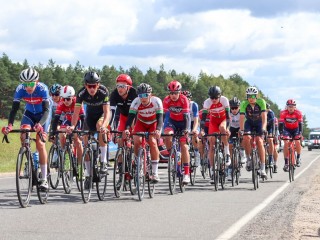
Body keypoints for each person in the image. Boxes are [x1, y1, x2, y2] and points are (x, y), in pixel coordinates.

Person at [2, 68, 50, 190]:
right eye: (25, 84)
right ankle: (28, 157)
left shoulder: (42, 89)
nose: (28, 87)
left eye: (31, 83)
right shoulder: (20, 89)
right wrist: (10, 125)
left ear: (37, 81)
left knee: (40, 143)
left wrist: (40, 124)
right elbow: (14, 109)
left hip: (42, 116)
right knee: (23, 134)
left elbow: (46, 111)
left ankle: (44, 179)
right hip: (28, 114)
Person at [67, 71, 110, 186]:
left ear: (98, 85)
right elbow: (76, 113)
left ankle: (103, 162)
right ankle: (88, 173)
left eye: (94, 86)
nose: (92, 88)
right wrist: (72, 126)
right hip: (90, 116)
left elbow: (107, 112)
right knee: (85, 142)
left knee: (100, 127)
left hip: (101, 115)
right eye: (89, 86)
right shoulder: (81, 93)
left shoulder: (103, 91)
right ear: (85, 85)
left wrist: (105, 126)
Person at [123, 83, 163, 183]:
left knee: (153, 142)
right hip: (141, 122)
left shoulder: (156, 101)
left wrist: (158, 129)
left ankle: (154, 172)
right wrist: (127, 129)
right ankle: (139, 164)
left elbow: (160, 118)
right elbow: (130, 117)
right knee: (136, 140)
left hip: (153, 123)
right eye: (140, 96)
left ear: (150, 95)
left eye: (145, 95)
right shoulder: (136, 102)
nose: (143, 98)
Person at [50, 85, 85, 169]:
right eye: (63, 98)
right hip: (68, 121)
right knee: (61, 133)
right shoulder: (61, 103)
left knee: (77, 139)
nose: (66, 101)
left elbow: (83, 118)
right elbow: (56, 119)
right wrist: (52, 133)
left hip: (78, 121)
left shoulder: (77, 102)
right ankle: (66, 155)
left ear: (73, 97)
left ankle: (80, 166)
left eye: (68, 99)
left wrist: (82, 132)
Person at [163, 80, 191, 184]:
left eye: (175, 93)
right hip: (172, 122)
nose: (173, 95)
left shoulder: (184, 100)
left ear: (179, 92)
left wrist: (187, 130)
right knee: (167, 135)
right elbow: (164, 116)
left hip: (183, 122)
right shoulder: (166, 100)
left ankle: (187, 173)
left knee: (184, 146)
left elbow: (187, 117)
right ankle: (172, 153)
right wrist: (160, 129)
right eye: (171, 93)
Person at [201, 86, 230, 183]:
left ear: (220, 96)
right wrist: (202, 130)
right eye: (211, 97)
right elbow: (203, 119)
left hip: (223, 119)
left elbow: (228, 117)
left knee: (222, 129)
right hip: (213, 121)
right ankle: (213, 170)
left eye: (215, 98)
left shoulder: (224, 100)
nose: (213, 100)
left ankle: (227, 152)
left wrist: (227, 128)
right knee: (211, 143)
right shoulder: (207, 102)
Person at [239, 86, 267, 179]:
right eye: (249, 96)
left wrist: (263, 128)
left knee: (259, 141)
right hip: (249, 123)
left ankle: (262, 168)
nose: (251, 98)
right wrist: (242, 130)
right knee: (246, 138)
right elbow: (242, 117)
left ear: (256, 96)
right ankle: (248, 159)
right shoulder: (244, 103)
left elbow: (264, 117)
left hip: (259, 123)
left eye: (253, 96)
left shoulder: (261, 102)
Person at [279, 99, 303, 171]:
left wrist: (300, 133)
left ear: (295, 107)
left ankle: (298, 158)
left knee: (297, 142)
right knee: (286, 143)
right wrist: (281, 133)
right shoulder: (283, 113)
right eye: (289, 106)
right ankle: (286, 163)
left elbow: (300, 124)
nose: (291, 108)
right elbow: (281, 124)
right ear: (287, 107)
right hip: (287, 130)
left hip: (296, 129)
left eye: (292, 106)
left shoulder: (298, 113)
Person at [227, 97, 246, 180]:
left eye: (236, 108)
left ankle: (242, 151)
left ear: (239, 107)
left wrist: (241, 130)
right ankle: (231, 164)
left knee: (242, 136)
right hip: (231, 128)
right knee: (230, 145)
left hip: (240, 127)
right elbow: (226, 122)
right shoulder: (228, 112)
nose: (234, 110)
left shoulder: (242, 112)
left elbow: (245, 123)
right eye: (232, 108)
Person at [181, 90, 201, 167]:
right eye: (184, 98)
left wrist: (194, 130)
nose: (186, 100)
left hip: (193, 122)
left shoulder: (194, 105)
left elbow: (196, 120)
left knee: (195, 135)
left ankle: (196, 153)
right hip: (185, 123)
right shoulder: (180, 105)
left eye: (188, 98)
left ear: (190, 99)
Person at [266, 103, 276, 167]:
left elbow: (273, 124)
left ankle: (271, 157)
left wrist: (273, 133)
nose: (266, 111)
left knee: (270, 139)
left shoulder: (271, 113)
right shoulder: (259, 112)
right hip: (262, 127)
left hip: (270, 127)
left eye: (267, 109)